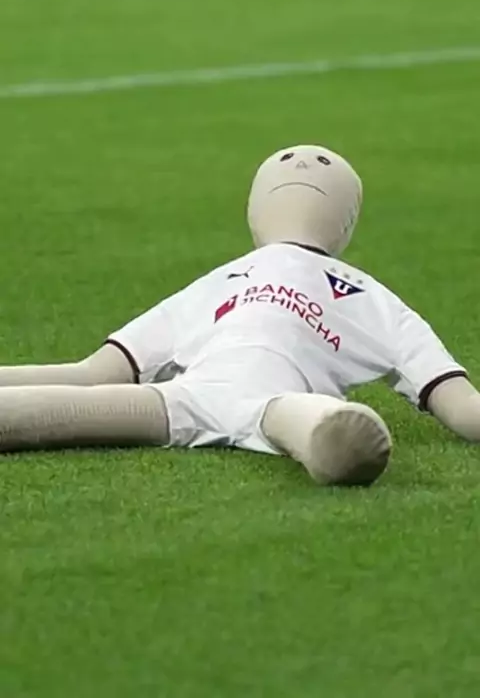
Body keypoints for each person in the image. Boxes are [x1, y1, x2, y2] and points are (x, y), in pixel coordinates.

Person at [0, 144, 477, 487]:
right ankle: (332, 433)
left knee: (327, 431)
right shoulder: (368, 296)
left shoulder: (366, 295)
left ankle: (333, 435)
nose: (302, 166)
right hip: (190, 397)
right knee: (61, 412)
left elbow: (94, 372)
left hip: (263, 400)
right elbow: (98, 372)